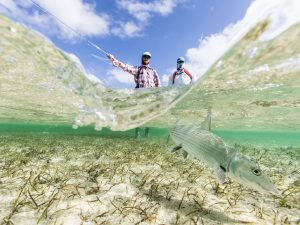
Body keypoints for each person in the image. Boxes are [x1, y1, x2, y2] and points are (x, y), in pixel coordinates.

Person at [107, 51, 161, 139]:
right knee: (138, 116)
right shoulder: (138, 69)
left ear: (149, 60)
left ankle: (147, 135)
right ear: (142, 58)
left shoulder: (153, 71)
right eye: (144, 57)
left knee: (150, 117)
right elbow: (126, 67)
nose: (146, 58)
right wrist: (114, 60)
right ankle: (138, 135)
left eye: (148, 57)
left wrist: (159, 98)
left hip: (151, 98)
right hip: (140, 97)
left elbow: (158, 85)